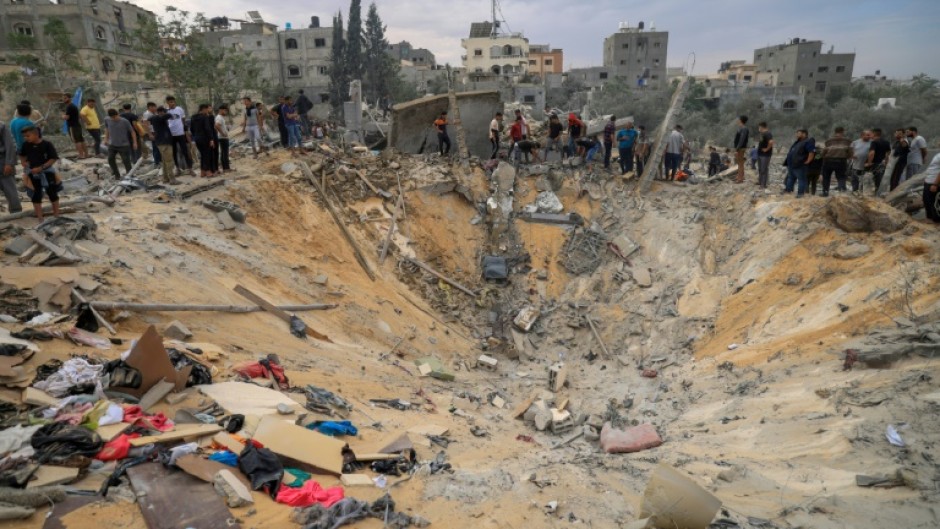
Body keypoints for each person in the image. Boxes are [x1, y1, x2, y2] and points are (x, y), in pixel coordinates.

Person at [17, 126, 61, 221]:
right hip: (33, 173)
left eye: (28, 136)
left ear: (36, 134)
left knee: (52, 193)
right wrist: (23, 162)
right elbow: (21, 155)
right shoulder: (26, 145)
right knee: (36, 194)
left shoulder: (47, 144)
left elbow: (53, 158)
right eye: (24, 136)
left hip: (47, 172)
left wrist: (42, 167)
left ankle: (56, 215)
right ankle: (40, 217)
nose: (26, 138)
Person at [147, 106, 179, 184]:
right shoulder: (161, 117)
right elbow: (171, 116)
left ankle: (165, 178)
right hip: (165, 142)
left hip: (160, 142)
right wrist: (168, 110)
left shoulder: (153, 118)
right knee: (169, 161)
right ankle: (172, 179)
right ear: (162, 112)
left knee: (165, 161)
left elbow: (147, 121)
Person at [103, 108, 136, 179]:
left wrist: (135, 142)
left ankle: (130, 175)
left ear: (118, 114)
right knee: (110, 159)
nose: (114, 119)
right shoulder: (107, 119)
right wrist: (106, 139)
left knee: (126, 161)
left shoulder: (125, 121)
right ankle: (116, 174)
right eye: (112, 117)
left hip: (123, 145)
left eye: (115, 117)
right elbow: (107, 129)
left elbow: (132, 132)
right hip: (112, 144)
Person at [165, 96, 194, 176]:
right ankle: (177, 169)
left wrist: (185, 131)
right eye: (170, 102)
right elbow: (166, 122)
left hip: (180, 133)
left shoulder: (179, 109)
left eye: (173, 101)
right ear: (167, 102)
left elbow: (183, 120)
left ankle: (190, 168)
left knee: (185, 151)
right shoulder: (166, 111)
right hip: (172, 134)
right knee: (174, 152)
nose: (172, 103)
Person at [820, 126, 852, 196]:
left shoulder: (828, 141)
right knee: (841, 177)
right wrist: (847, 157)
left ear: (835, 132)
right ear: (843, 132)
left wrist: (823, 157)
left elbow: (823, 152)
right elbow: (850, 152)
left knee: (826, 177)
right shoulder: (848, 141)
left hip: (828, 161)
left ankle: (825, 192)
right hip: (841, 161)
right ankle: (842, 193)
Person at [783, 129, 815, 198]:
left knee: (801, 179)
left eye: (798, 133)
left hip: (800, 165)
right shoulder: (797, 142)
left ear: (804, 134)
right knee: (790, 178)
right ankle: (788, 191)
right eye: (796, 133)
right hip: (791, 165)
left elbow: (811, 152)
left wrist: (808, 161)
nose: (796, 135)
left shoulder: (808, 141)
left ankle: (800, 194)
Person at [0, 117, 22, 213]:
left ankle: (16, 213)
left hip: (2, 161)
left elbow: (10, 145)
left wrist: (9, 163)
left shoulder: (1, 126)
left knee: (10, 189)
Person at [190, 104, 217, 177]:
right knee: (206, 155)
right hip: (205, 138)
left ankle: (202, 172)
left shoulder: (193, 117)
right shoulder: (204, 117)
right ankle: (208, 171)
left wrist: (195, 137)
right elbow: (207, 129)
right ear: (203, 109)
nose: (207, 111)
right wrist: (211, 139)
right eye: (206, 109)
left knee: (202, 155)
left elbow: (191, 129)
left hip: (197, 139)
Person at [61, 93, 86, 159]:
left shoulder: (69, 107)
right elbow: (79, 115)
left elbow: (67, 117)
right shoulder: (74, 106)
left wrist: (63, 116)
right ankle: (86, 154)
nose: (64, 100)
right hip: (77, 125)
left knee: (76, 140)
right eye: (63, 98)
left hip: (72, 126)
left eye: (65, 98)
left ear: (69, 98)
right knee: (81, 139)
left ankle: (81, 155)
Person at [923, 148, 940, 223]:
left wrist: (935, 184)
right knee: (926, 201)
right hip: (929, 181)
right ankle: (930, 219)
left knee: (933, 203)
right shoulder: (938, 154)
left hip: (933, 182)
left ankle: (935, 221)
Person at [141, 102, 160, 167]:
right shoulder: (147, 114)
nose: (155, 108)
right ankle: (157, 162)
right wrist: (150, 134)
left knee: (159, 146)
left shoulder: (155, 113)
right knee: (155, 147)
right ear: (150, 107)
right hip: (152, 132)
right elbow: (145, 125)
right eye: (154, 107)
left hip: (157, 131)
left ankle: (159, 160)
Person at [756, 122, 774, 188]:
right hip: (760, 154)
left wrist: (767, 149)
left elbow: (771, 142)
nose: (758, 128)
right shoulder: (762, 134)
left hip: (765, 155)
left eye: (759, 127)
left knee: (764, 169)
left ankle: (763, 184)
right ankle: (760, 181)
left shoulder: (768, 133)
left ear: (762, 127)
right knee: (760, 169)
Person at [733, 115, 749, 183]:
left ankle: (740, 178)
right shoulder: (741, 128)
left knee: (740, 163)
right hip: (739, 148)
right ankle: (740, 176)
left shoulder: (744, 129)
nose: (737, 120)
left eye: (738, 119)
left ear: (741, 120)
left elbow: (741, 140)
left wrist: (737, 149)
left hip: (741, 148)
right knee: (739, 163)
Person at [215, 104, 231, 173]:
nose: (226, 112)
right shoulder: (219, 117)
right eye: (225, 111)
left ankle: (226, 168)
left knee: (224, 153)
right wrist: (223, 133)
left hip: (222, 137)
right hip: (222, 138)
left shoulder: (220, 117)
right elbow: (217, 125)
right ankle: (226, 168)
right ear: (221, 110)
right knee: (225, 153)